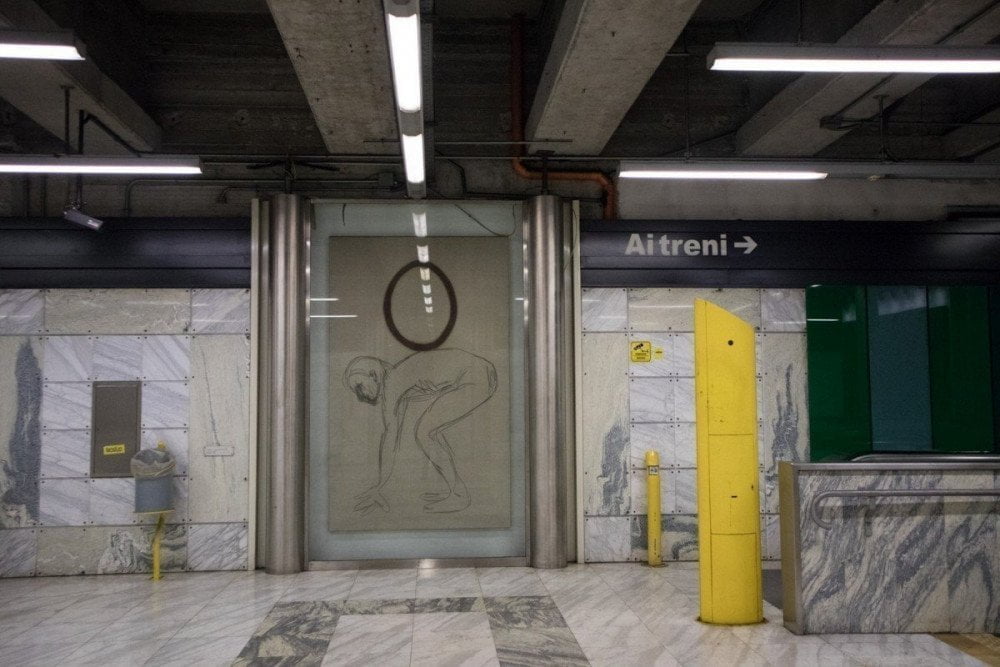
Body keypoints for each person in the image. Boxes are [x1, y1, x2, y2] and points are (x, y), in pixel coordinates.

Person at [344, 348, 498, 514]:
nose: (360, 396)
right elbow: (394, 432)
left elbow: (390, 437)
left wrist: (379, 486)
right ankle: (454, 489)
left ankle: (459, 495)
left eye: (359, 386)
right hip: (480, 373)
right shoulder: (398, 377)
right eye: (356, 391)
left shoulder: (392, 381)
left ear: (373, 375)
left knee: (426, 433)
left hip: (475, 377)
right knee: (430, 432)